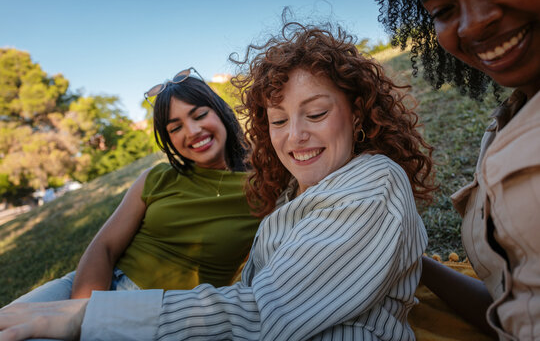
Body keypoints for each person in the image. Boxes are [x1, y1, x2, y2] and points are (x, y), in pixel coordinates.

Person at [0, 23, 435, 340]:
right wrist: (85, 307)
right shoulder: (266, 185)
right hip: (104, 294)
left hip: (152, 313)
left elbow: (267, 310)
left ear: (357, 112)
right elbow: (104, 247)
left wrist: (88, 319)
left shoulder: (287, 183)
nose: (296, 134)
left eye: (316, 113)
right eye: (279, 120)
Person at [9, 68, 260, 304]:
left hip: (157, 313)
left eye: (200, 115)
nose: (192, 131)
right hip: (88, 287)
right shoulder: (156, 177)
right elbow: (104, 248)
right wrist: (81, 312)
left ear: (220, 112)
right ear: (169, 139)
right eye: (176, 128)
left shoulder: (264, 185)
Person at [376, 0, 540, 340]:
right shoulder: (512, 113)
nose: (472, 25)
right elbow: (512, 312)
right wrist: (409, 265)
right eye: (443, 11)